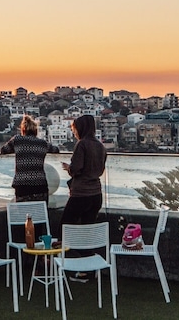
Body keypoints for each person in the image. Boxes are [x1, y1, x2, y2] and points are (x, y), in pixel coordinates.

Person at [58, 113, 108, 281]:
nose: (74, 132)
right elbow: (100, 170)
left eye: (75, 129)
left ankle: (58, 265)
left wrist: (69, 168)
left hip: (81, 194)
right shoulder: (100, 146)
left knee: (64, 229)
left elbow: (77, 168)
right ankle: (88, 269)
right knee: (87, 231)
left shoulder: (82, 145)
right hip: (96, 194)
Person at [0, 115, 59, 203]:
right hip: (40, 184)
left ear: (23, 129)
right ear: (36, 130)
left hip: (22, 185)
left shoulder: (17, 140)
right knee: (40, 212)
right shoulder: (42, 143)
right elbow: (56, 150)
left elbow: (3, 150)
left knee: (23, 212)